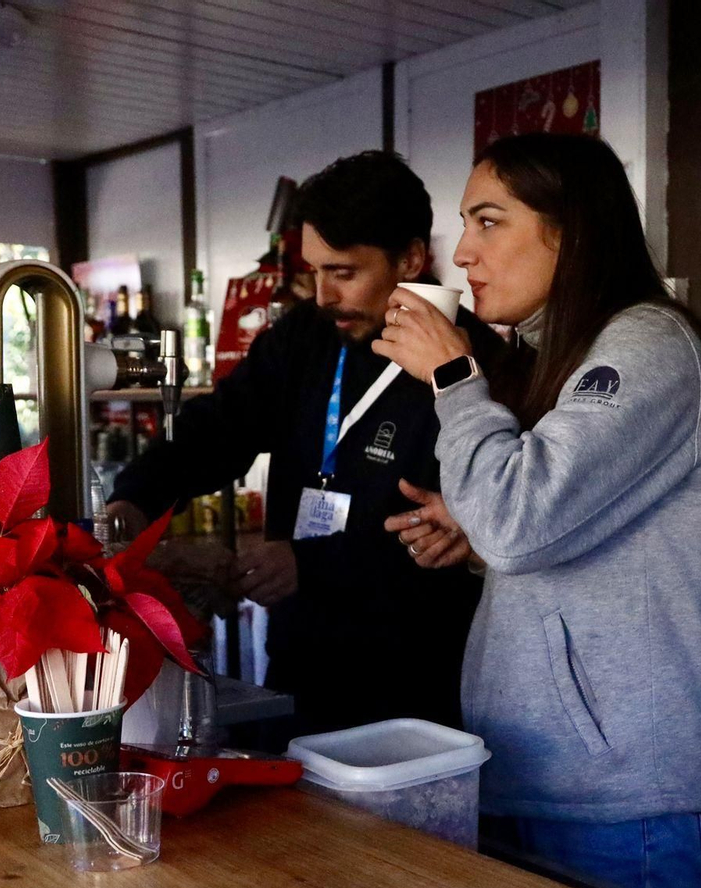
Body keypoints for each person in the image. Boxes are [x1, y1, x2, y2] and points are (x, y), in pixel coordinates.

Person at [375, 133, 701, 888]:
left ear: (568, 230)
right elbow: (553, 527)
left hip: (621, 801)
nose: (464, 254)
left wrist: (451, 376)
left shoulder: (645, 346)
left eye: (489, 222)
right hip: (543, 780)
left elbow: (521, 519)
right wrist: (476, 539)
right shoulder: (562, 354)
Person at [108, 151, 506, 730]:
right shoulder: (303, 340)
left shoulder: (471, 368)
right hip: (300, 660)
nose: (322, 295)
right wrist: (136, 498)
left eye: (343, 273)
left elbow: (457, 533)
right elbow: (218, 429)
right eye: (314, 271)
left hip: (418, 681)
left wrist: (313, 566)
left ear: (411, 258)